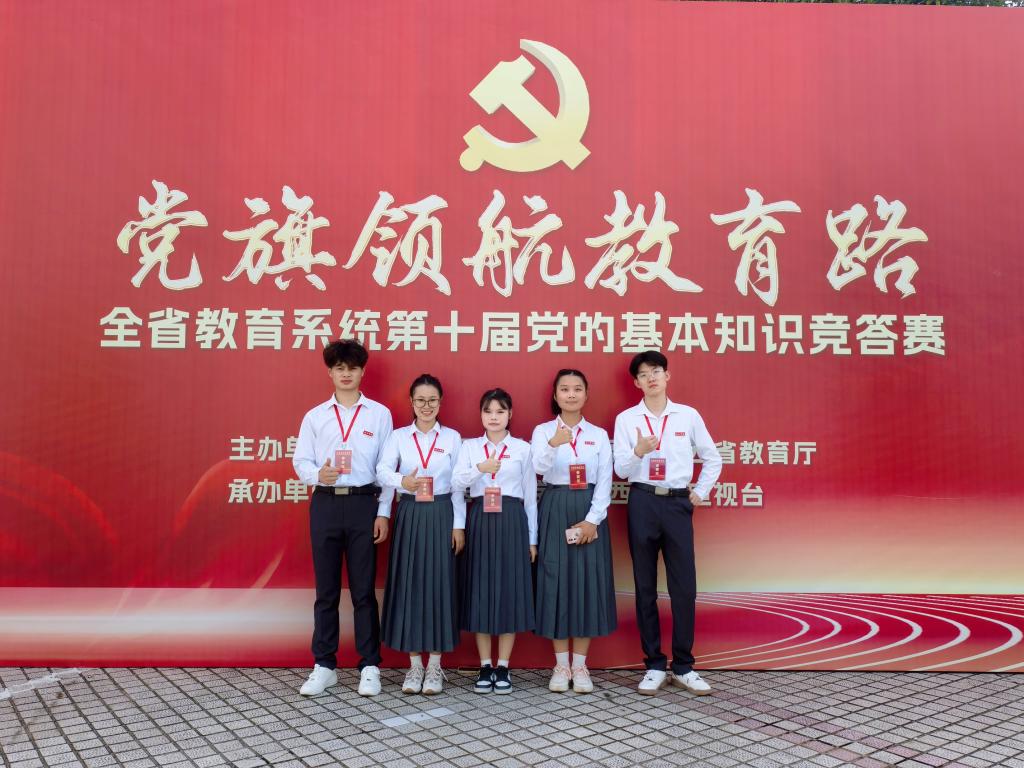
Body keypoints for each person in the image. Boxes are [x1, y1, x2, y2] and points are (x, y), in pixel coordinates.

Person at [612, 351, 722, 696]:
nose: (651, 378)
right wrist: (639, 451)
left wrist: (699, 492)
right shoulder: (627, 419)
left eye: (656, 371)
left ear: (667, 376)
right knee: (644, 585)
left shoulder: (687, 415)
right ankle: (654, 665)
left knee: (683, 586)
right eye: (644, 374)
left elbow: (713, 458)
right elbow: (621, 470)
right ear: (636, 382)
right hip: (642, 500)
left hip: (677, 503)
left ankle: (684, 665)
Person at [292, 339, 394, 697]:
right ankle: (324, 665)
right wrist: (318, 474)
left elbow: (386, 469)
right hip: (325, 504)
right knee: (327, 591)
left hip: (364, 503)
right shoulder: (315, 416)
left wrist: (383, 512)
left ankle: (369, 666)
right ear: (330, 373)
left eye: (352, 368)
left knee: (364, 590)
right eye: (339, 368)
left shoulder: (379, 415)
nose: (346, 374)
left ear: (362, 371)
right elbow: (300, 461)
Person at [376, 374, 465, 695]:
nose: (426, 406)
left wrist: (459, 525)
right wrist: (402, 483)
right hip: (411, 513)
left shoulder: (452, 438)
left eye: (432, 400)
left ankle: (435, 666)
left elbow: (459, 485)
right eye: (420, 400)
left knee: (440, 586)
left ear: (440, 403)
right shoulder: (399, 437)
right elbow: (382, 472)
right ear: (411, 403)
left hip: (441, 513)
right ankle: (414, 667)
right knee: (410, 585)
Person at [531, 369, 616, 694]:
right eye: (564, 389)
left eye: (577, 389)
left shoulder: (598, 434)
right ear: (555, 395)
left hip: (588, 508)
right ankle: (561, 665)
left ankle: (580, 666)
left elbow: (605, 480)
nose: (570, 394)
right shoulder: (543, 431)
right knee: (555, 582)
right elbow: (537, 469)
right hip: (555, 506)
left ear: (586, 394)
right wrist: (553, 444)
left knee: (586, 584)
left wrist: (593, 520)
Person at [454, 388, 537, 695]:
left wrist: (532, 539)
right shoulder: (470, 447)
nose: (494, 417)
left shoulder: (523, 449)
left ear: (510, 414)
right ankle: (485, 664)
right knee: (480, 590)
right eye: (488, 411)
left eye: (500, 411)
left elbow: (531, 497)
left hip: (512, 518)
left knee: (509, 591)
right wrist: (480, 469)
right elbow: (455, 483)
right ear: (481, 415)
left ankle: (503, 665)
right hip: (480, 519)